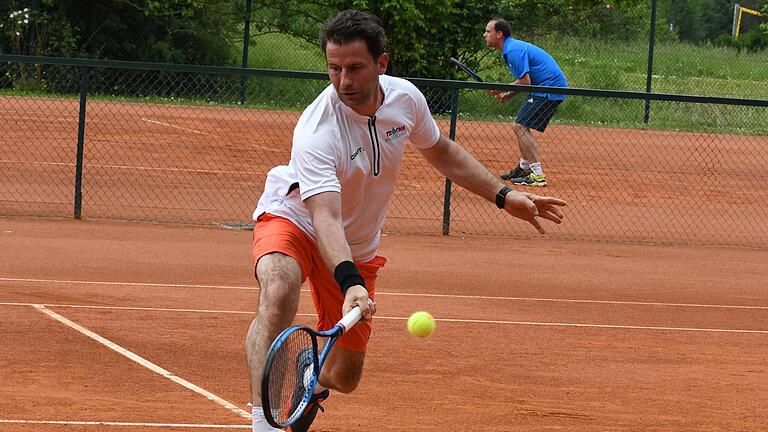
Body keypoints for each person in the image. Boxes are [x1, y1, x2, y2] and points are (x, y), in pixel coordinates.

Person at [246, 10, 566, 432]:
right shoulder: (316, 131)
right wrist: (351, 282)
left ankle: (311, 376)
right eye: (334, 68)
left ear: (381, 64)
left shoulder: (405, 100)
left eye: (355, 68)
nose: (344, 80)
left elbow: (442, 152)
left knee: (345, 377)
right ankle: (262, 423)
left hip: (356, 244)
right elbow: (324, 215)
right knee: (280, 284)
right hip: (296, 219)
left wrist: (505, 196)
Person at [483, 18, 568, 187]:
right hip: (545, 88)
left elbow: (525, 82)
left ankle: (537, 175)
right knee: (522, 126)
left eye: (488, 31)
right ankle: (524, 168)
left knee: (519, 126)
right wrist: (508, 94)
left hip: (549, 88)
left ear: (499, 34)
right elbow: (524, 80)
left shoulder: (513, 50)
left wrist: (501, 89)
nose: (484, 35)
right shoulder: (510, 49)